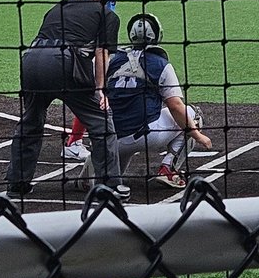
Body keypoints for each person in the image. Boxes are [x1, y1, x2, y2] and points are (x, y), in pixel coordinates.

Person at [5, 0, 126, 198]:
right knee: (101, 122)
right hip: (63, 63)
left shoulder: (56, 9)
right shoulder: (106, 14)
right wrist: (101, 89)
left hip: (30, 61)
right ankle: (111, 185)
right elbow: (101, 53)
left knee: (31, 122)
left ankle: (17, 183)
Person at [82, 13, 212, 190]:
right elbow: (175, 106)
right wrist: (198, 135)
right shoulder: (160, 64)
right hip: (146, 135)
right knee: (193, 114)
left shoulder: (112, 60)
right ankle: (168, 169)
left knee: (107, 178)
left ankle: (88, 174)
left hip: (111, 138)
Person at [63, 0, 143, 160]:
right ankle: (74, 142)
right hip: (87, 28)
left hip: (99, 25)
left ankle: (77, 139)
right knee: (93, 87)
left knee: (94, 86)